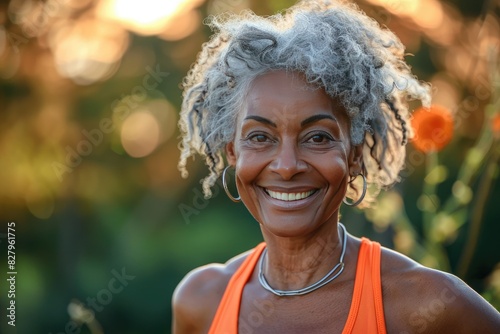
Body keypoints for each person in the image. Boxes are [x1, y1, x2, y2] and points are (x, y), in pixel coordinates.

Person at [172, 0, 500, 333]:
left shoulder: (429, 305)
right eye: (260, 137)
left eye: (316, 138)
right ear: (232, 153)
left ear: (355, 155)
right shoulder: (201, 301)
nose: (287, 166)